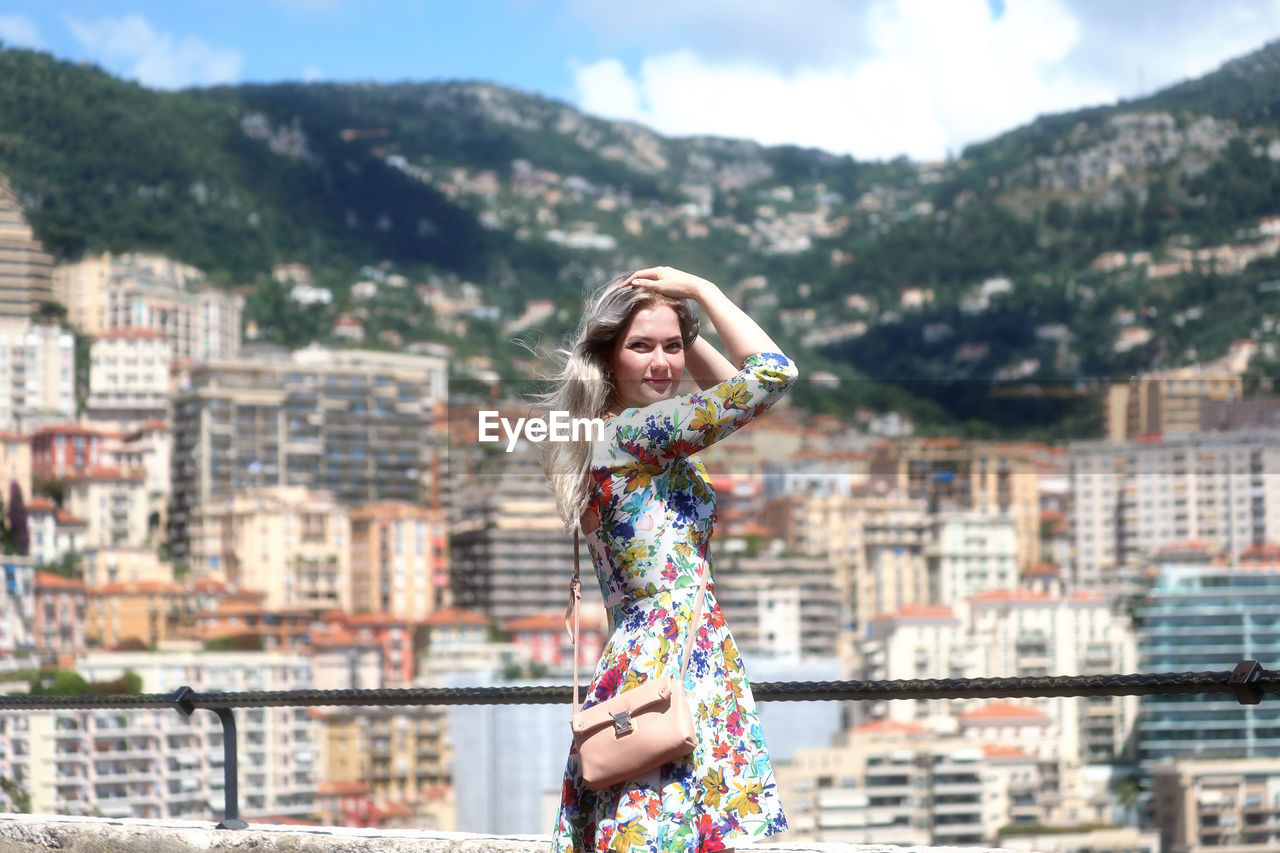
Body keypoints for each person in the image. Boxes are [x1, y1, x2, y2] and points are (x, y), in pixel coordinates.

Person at [538, 266, 797, 852]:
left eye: (673, 348)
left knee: (659, 832)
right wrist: (705, 291)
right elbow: (770, 377)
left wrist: (678, 320)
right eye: (640, 347)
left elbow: (736, 394)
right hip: (670, 656)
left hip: (657, 650)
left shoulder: (609, 436)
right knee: (661, 832)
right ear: (608, 359)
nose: (662, 362)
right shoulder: (639, 436)